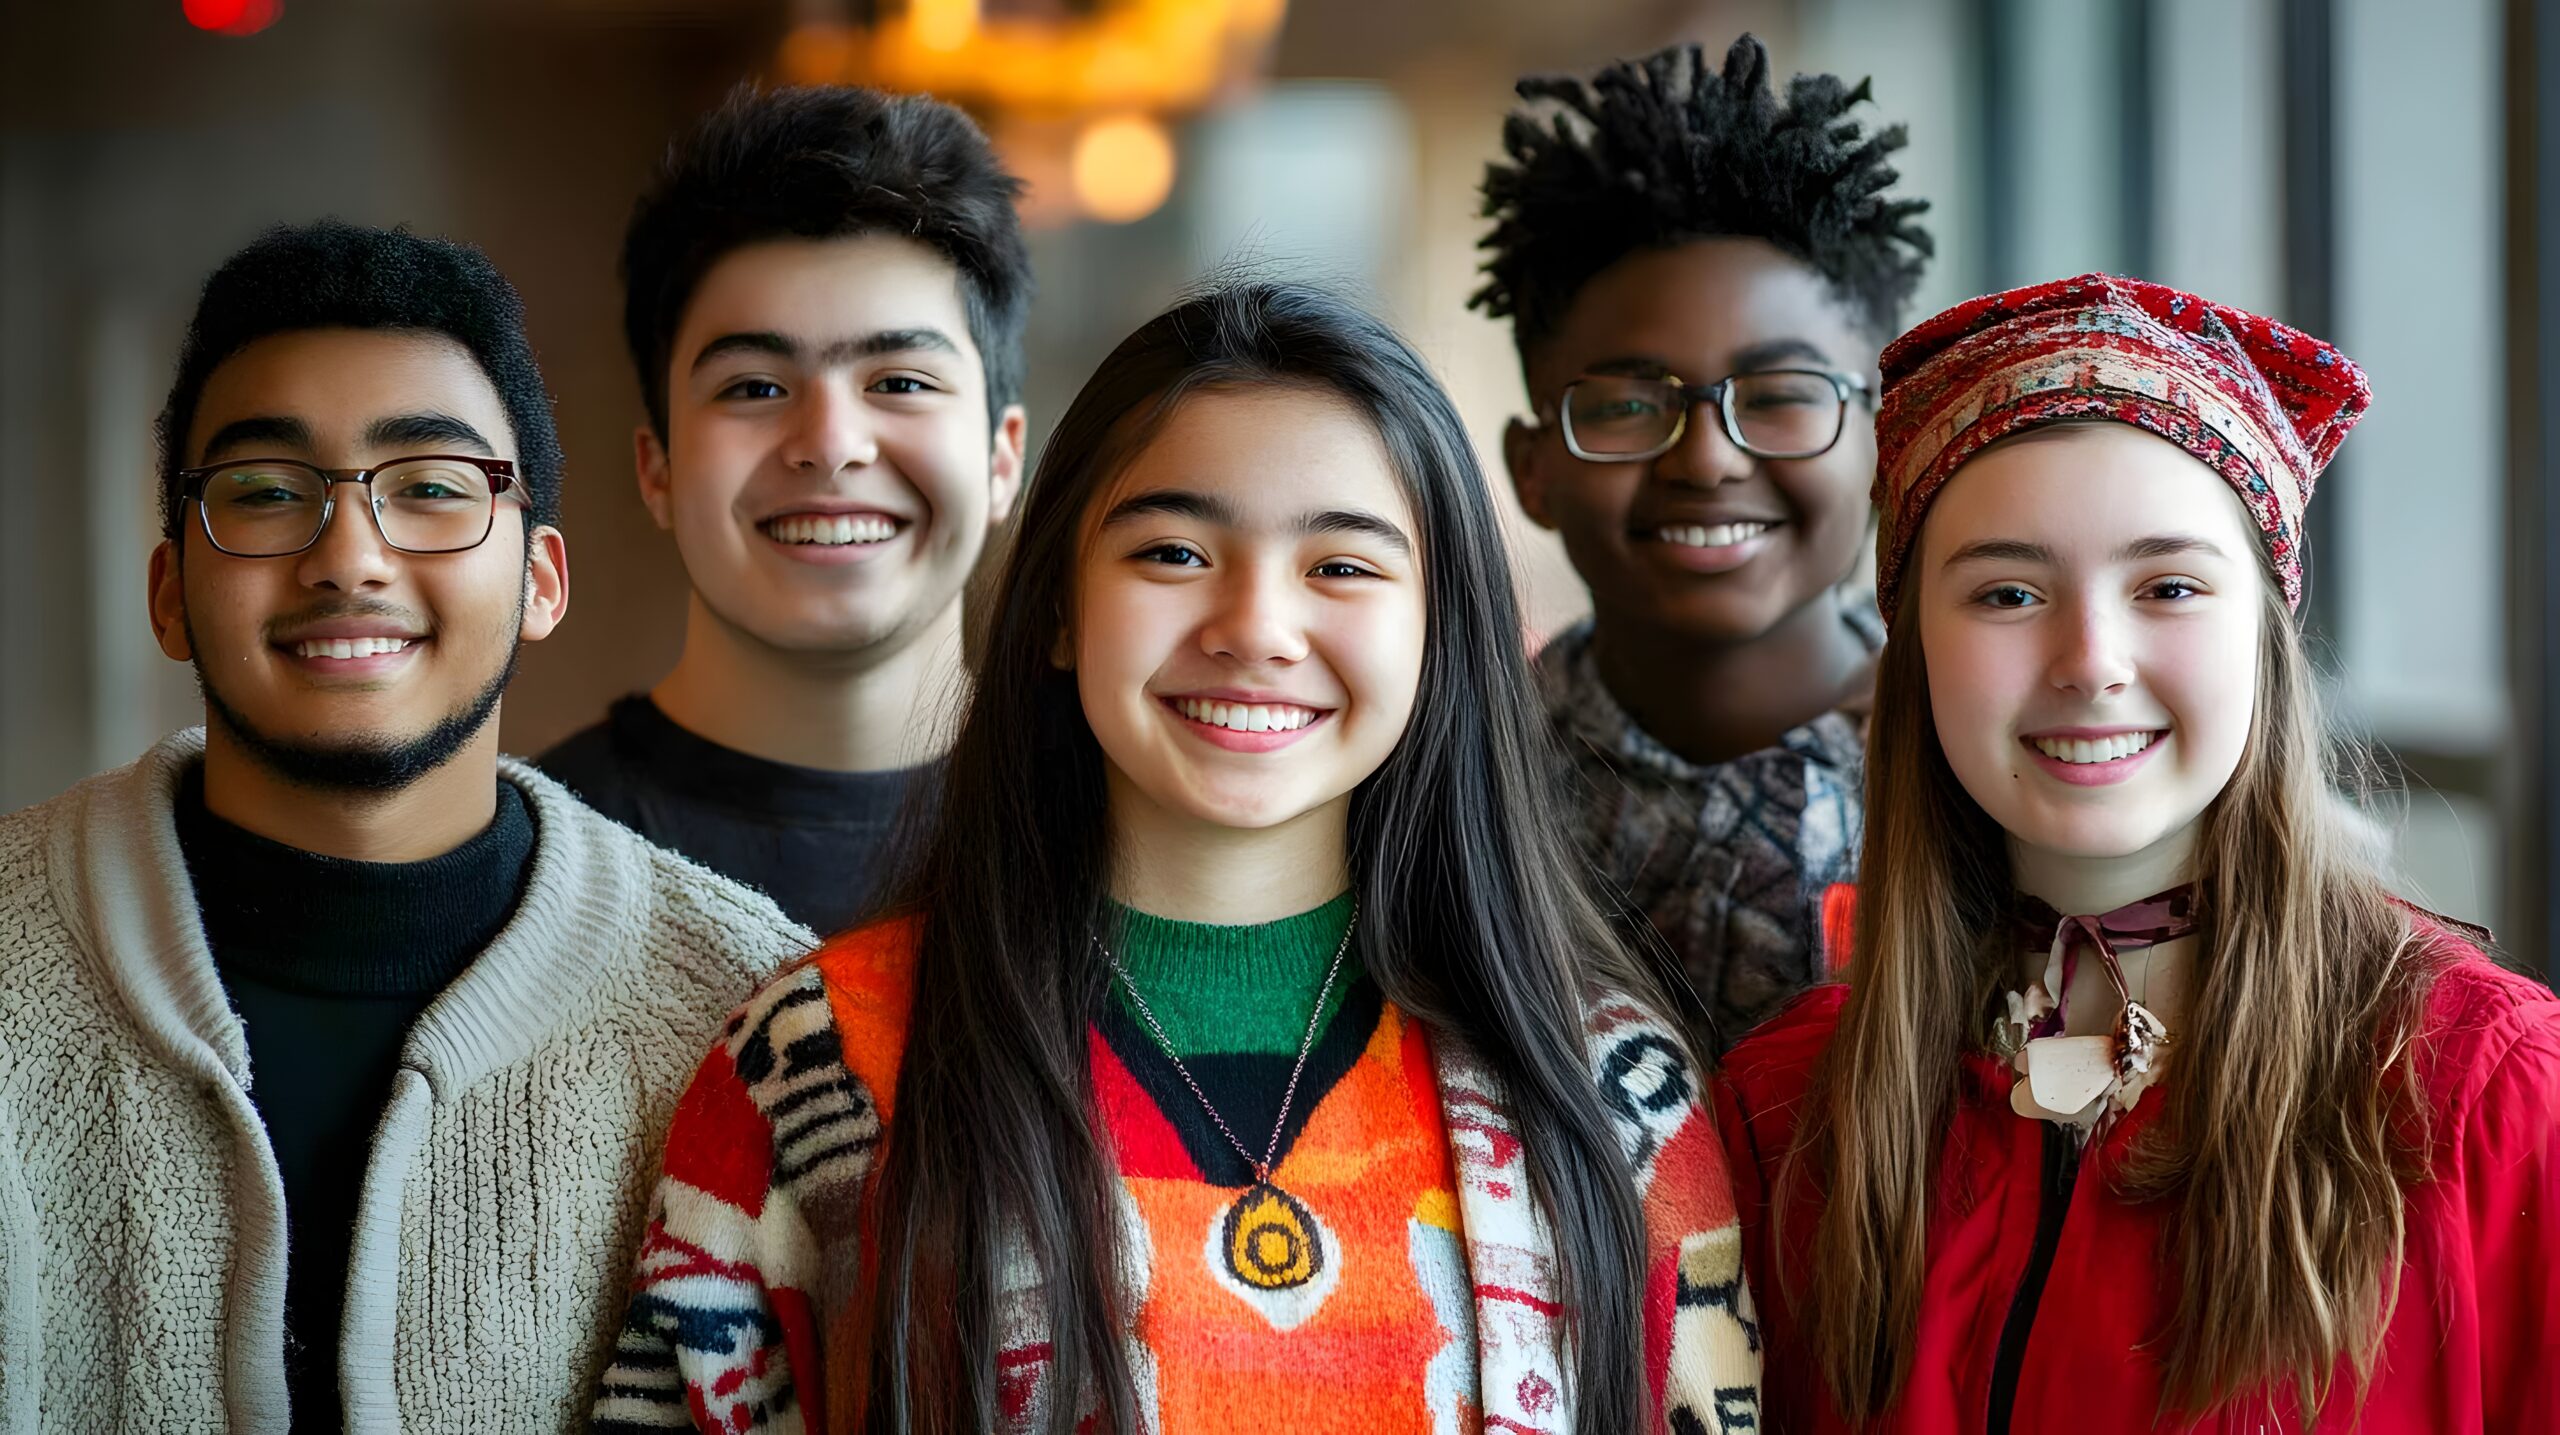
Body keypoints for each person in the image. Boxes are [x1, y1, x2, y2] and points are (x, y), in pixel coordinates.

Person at [589, 281, 1762, 1435]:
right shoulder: (817, 1065)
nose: (1254, 626)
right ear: (1056, 608)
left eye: (1341, 566)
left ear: (1441, 631)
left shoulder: (1608, 1089)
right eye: (1172, 554)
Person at [0, 220, 812, 1432]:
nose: (349, 556)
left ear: (539, 579)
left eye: (430, 488)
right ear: (170, 589)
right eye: (266, 493)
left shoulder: (751, 1018)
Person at [1714, 274, 2560, 1432]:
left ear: (2265, 634)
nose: (2090, 658)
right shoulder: (1783, 1110)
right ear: (1913, 651)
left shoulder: (2481, 1093)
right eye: (2007, 593)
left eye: (2167, 585)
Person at [1471, 35, 1936, 1054]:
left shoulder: (1978, 763)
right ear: (1531, 468)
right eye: (1629, 404)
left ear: (1888, 443)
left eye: (1780, 397)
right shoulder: (1460, 777)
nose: (1707, 458)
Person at [538, 84, 1030, 936]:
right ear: (656, 469)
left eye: (902, 383)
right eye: (756, 387)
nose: (830, 444)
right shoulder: (527, 870)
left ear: (1001, 457)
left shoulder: (1126, 841)